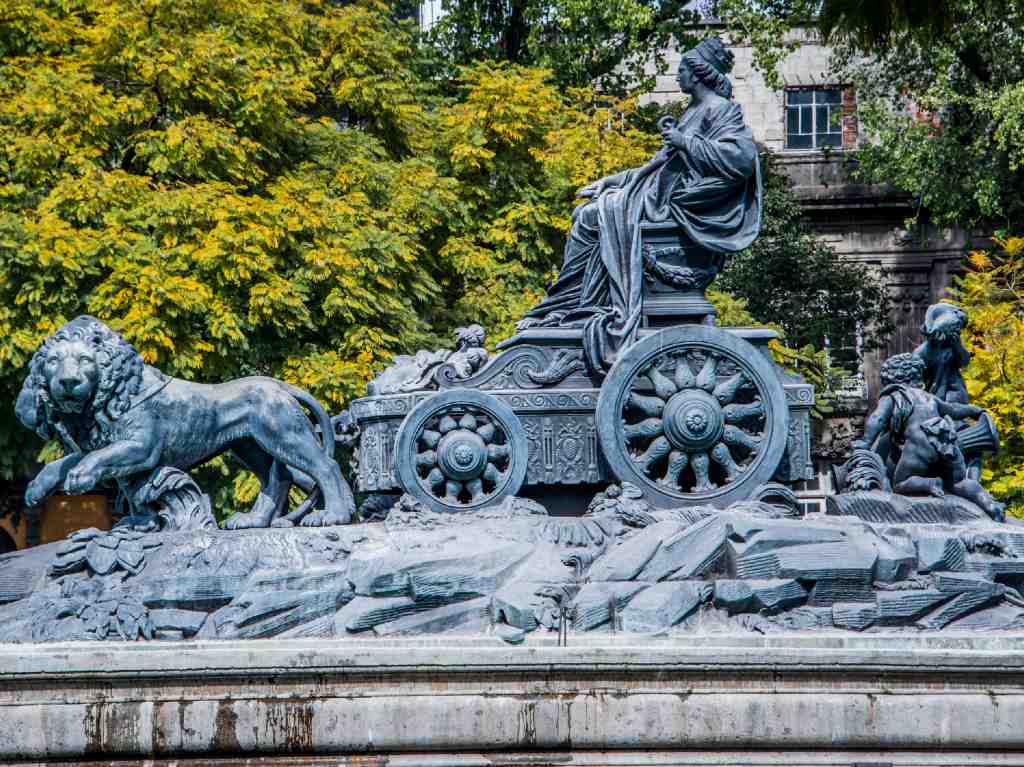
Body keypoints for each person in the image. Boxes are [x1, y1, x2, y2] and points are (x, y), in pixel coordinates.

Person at [517, 37, 762, 372]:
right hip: (656, 193)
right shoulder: (693, 112)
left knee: (592, 217)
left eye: (682, 71)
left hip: (678, 204)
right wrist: (611, 181)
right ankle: (567, 304)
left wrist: (685, 141)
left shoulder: (720, 110)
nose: (678, 78)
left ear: (698, 73)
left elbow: (742, 159)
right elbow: (657, 164)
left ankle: (570, 304)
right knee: (589, 212)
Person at [854, 353, 1004, 520]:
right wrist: (975, 410)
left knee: (901, 483)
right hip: (945, 441)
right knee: (959, 482)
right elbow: (953, 409)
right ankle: (990, 504)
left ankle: (930, 483)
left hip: (921, 442)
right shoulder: (929, 397)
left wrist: (866, 442)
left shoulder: (894, 395)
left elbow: (878, 418)